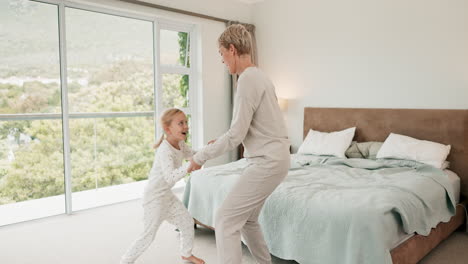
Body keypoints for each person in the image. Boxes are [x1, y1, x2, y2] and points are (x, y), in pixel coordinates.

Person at [188, 24, 290, 264]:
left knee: (224, 219)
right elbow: (242, 130)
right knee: (248, 220)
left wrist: (199, 157)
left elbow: (235, 135)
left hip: (267, 162)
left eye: (222, 55)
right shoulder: (260, 76)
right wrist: (222, 140)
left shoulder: (247, 79)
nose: (223, 62)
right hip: (275, 159)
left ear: (232, 50)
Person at [121, 108, 205, 264]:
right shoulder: (164, 150)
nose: (186, 126)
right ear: (168, 129)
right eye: (181, 123)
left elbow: (193, 155)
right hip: (154, 198)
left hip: (166, 195)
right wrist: (189, 166)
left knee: (186, 221)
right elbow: (170, 176)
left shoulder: (180, 144)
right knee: (148, 235)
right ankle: (126, 261)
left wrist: (208, 150)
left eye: (186, 122)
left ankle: (186, 254)